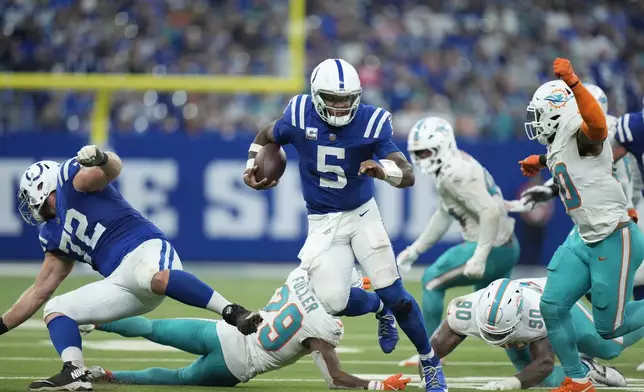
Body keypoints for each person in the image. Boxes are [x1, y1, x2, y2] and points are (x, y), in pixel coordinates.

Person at [242, 58, 447, 391]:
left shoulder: (371, 122)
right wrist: (252, 165)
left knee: (396, 294)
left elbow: (407, 175)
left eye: (346, 99)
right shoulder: (298, 115)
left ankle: (429, 361)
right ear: (316, 95)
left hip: (362, 215)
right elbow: (267, 134)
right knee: (334, 300)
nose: (340, 106)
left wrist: (383, 171)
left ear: (358, 95)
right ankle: (378, 308)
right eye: (332, 99)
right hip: (323, 222)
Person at [4, 146, 261, 392]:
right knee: (56, 308)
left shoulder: (72, 183)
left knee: (154, 277)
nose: (29, 205)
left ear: (42, 186)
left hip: (143, 248)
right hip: (120, 280)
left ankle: (233, 312)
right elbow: (39, 291)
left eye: (30, 196)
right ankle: (74, 371)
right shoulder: (51, 233)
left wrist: (102, 158)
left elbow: (112, 170)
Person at [518, 58, 644, 392]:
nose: (534, 121)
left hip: (613, 234)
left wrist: (574, 82)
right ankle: (578, 378)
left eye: (539, 113)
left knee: (610, 328)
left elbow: (597, 131)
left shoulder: (583, 128)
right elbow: (569, 159)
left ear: (557, 110)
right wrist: (542, 161)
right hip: (584, 237)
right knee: (552, 305)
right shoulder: (559, 137)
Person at [84, 268, 411, 391]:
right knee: (178, 378)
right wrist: (378, 386)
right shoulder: (325, 328)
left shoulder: (302, 277)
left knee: (153, 328)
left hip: (227, 332)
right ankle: (109, 377)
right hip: (234, 366)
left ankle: (94, 319)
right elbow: (336, 381)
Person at [395, 117, 519, 367]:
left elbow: (490, 212)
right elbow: (443, 215)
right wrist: (415, 249)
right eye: (416, 153)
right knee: (496, 315)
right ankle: (535, 368)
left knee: (431, 281)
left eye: (425, 152)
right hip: (504, 245)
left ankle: (430, 354)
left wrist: (480, 256)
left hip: (492, 246)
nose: (420, 159)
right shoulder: (452, 166)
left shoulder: (455, 172)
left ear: (442, 146)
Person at [429, 278, 634, 390]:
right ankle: (587, 368)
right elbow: (430, 352)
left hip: (554, 302)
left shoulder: (537, 314)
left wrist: (513, 382)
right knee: (543, 382)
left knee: (609, 346)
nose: (493, 339)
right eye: (489, 333)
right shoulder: (463, 311)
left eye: (499, 334)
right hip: (520, 325)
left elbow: (544, 363)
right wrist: (430, 379)